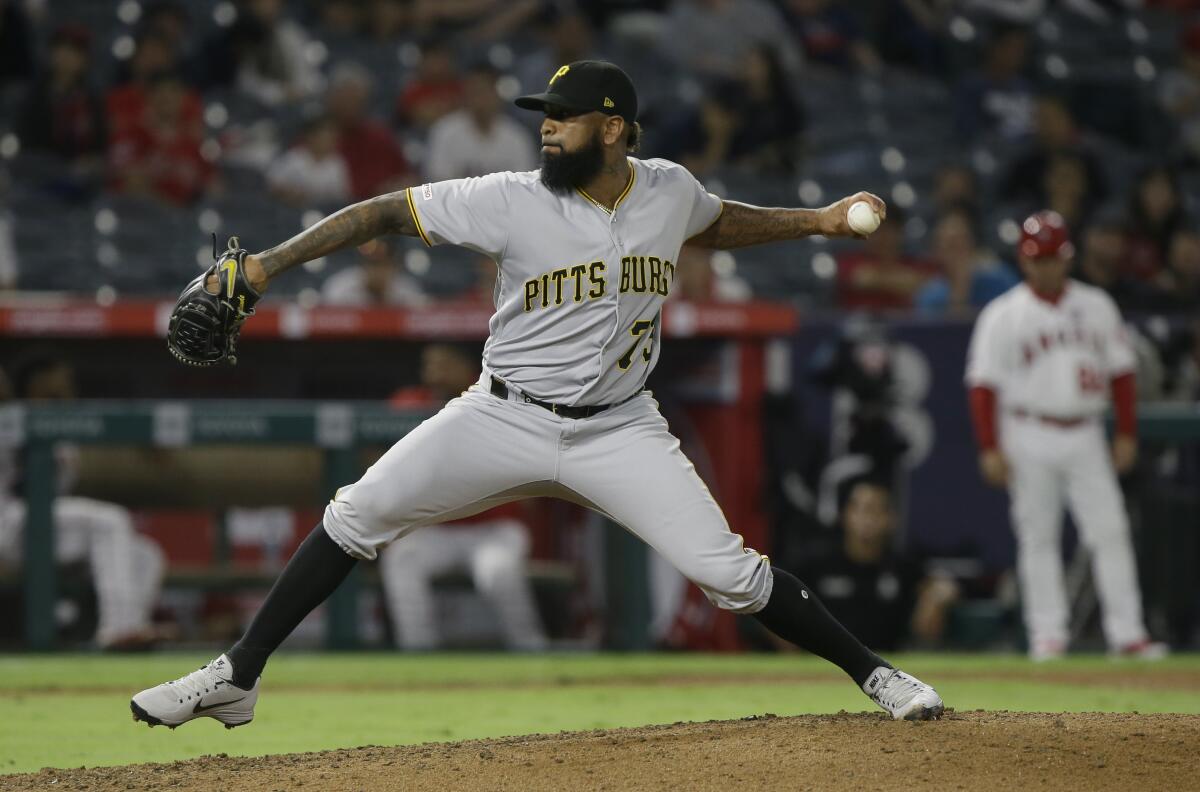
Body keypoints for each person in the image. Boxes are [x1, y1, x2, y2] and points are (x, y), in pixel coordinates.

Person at [131, 60, 943, 729]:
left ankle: (877, 677)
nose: (547, 126)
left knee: (728, 574)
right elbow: (384, 212)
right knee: (355, 514)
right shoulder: (511, 198)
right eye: (544, 113)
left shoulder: (667, 189)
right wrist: (268, 265)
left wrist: (821, 222)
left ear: (615, 128)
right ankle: (237, 675)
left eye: (565, 115)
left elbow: (720, 220)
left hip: (620, 429)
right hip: (503, 413)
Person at [964, 210, 1167, 661]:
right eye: (1039, 258)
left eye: (1054, 257)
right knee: (1039, 536)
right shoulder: (1004, 314)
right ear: (1024, 260)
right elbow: (982, 386)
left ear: (1067, 258)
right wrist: (990, 445)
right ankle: (1048, 636)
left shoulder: (1096, 305)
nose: (1047, 266)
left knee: (1109, 530)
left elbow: (1122, 373)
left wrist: (1128, 433)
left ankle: (1128, 634)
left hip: (1086, 431)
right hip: (1028, 430)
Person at [381, 344, 548, 651]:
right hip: (435, 529)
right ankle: (418, 655)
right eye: (429, 364)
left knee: (498, 571)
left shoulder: (498, 398)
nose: (433, 372)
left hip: (492, 530)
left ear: (467, 368)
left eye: (444, 363)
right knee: (403, 558)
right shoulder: (412, 403)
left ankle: (530, 651)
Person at [0, 354, 166, 650]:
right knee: (110, 520)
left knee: (145, 553)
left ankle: (126, 640)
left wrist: (140, 434)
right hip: (8, 524)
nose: (64, 396)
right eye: (53, 392)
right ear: (31, 388)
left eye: (65, 390)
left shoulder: (65, 431)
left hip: (46, 531)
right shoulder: (9, 417)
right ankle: (118, 628)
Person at [795, 478, 958, 651]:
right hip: (825, 665)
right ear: (845, 515)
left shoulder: (901, 567)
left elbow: (943, 584)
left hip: (887, 668)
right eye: (862, 510)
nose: (868, 520)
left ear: (891, 519)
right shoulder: (817, 564)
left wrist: (938, 596)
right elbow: (777, 594)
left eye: (877, 511)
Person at [425, 62, 538, 181]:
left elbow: (524, 186)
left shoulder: (516, 137)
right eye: (475, 91)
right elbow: (439, 183)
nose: (480, 98)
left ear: (497, 94)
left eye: (485, 90)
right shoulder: (445, 131)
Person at [914, 207, 1017, 316]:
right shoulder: (929, 295)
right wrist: (959, 290)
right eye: (951, 246)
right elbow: (944, 331)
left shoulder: (1000, 278)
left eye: (963, 242)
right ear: (938, 252)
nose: (959, 253)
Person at [266, 114, 351, 207]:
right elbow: (273, 186)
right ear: (311, 136)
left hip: (324, 212)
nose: (328, 140)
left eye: (331, 136)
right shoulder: (294, 157)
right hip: (291, 209)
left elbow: (342, 197)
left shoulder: (337, 163)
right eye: (323, 135)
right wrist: (289, 192)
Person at [320, 238, 428, 307]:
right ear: (362, 265)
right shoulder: (339, 287)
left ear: (394, 266)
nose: (376, 272)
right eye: (372, 264)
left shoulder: (408, 290)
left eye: (382, 265)